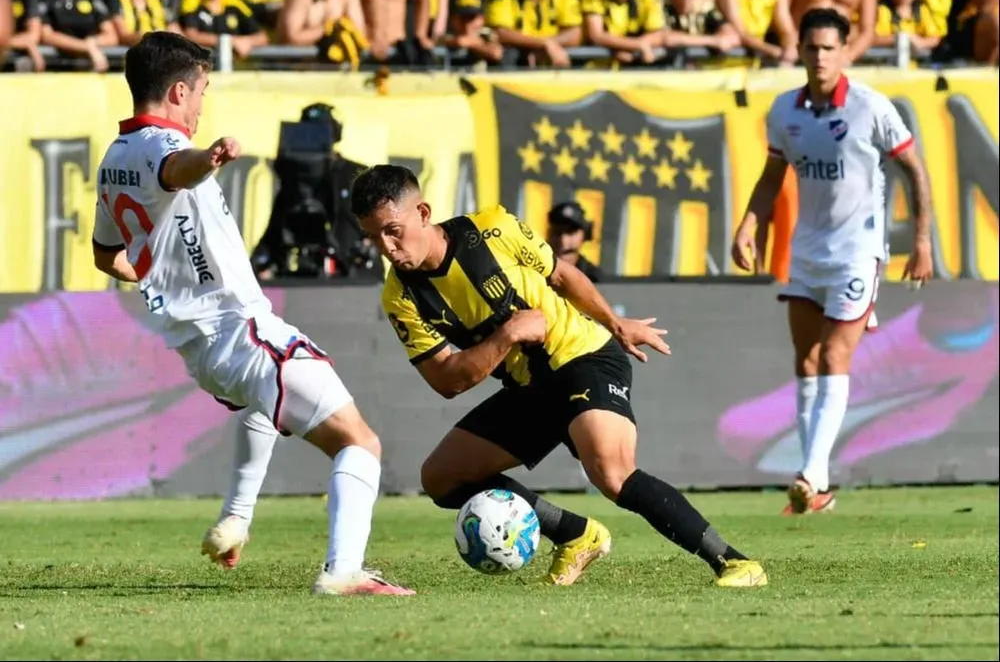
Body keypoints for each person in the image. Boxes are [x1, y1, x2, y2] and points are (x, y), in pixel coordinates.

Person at [89, 32, 412, 597]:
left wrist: (171, 277)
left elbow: (106, 254)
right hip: (241, 330)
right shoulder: (162, 144)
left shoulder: (114, 158)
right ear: (179, 91)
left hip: (202, 349)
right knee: (360, 443)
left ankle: (235, 521)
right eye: (201, 92)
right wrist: (209, 158)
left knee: (264, 409)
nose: (201, 105)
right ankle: (344, 571)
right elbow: (176, 168)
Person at [352, 164, 768, 588]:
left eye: (393, 231)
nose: (387, 247)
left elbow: (562, 275)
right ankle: (575, 535)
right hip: (529, 387)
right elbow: (446, 380)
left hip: (584, 356)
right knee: (441, 477)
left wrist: (615, 324)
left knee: (612, 473)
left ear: (423, 213)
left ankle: (735, 562)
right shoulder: (399, 295)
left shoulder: (493, 229)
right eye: (373, 237)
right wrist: (508, 334)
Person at [730, 8, 933, 515]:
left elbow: (914, 169)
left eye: (828, 48)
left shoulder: (871, 107)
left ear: (845, 52)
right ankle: (814, 491)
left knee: (833, 358)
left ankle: (810, 474)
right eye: (811, 47)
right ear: (799, 50)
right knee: (805, 361)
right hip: (807, 252)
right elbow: (772, 177)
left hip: (858, 254)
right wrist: (749, 224)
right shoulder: (785, 110)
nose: (820, 57)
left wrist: (922, 241)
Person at [546, 201, 603, 284]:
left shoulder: (595, 279)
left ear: (585, 235)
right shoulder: (534, 273)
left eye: (570, 232)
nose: (563, 241)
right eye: (557, 232)